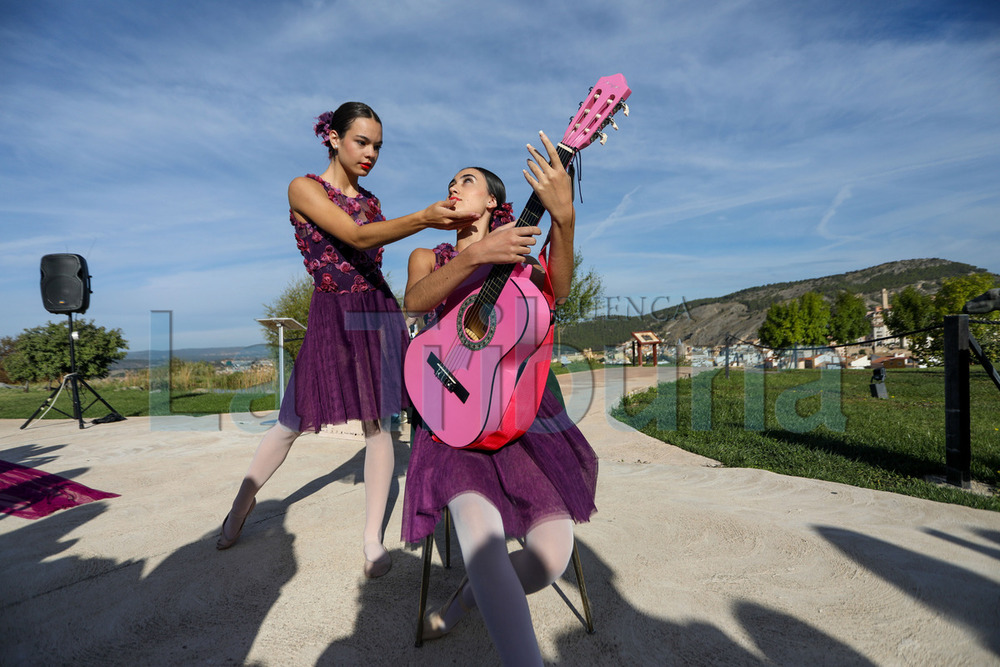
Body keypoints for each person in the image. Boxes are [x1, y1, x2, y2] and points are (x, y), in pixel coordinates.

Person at [216, 102, 478, 581]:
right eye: (362, 141)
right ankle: (241, 505)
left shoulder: (373, 201)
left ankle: (372, 540)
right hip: (332, 313)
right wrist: (422, 217)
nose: (371, 153)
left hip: (376, 311)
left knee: (379, 425)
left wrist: (422, 223)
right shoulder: (303, 188)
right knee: (291, 421)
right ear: (333, 138)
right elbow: (357, 237)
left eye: (378, 145)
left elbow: (372, 234)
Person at [400, 131, 598, 665]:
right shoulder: (430, 254)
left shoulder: (517, 258)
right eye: (450, 181)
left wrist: (565, 221)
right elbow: (415, 303)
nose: (453, 186)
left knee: (552, 557)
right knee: (482, 540)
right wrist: (475, 256)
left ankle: (465, 600)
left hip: (519, 415)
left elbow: (556, 292)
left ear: (493, 201)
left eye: (466, 180)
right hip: (451, 415)